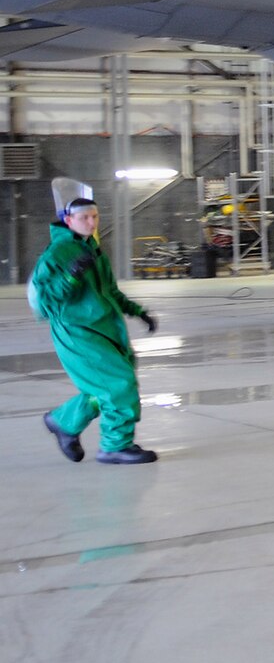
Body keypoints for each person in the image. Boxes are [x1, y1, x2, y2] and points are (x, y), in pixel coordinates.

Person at [30, 178, 159, 464]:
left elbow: (108, 291)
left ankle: (64, 422)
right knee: (118, 385)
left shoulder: (93, 249)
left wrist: (137, 311)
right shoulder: (56, 255)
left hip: (105, 329)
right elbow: (45, 302)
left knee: (104, 388)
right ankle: (114, 446)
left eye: (95, 217)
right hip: (78, 333)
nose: (91, 223)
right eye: (84, 218)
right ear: (68, 219)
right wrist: (71, 275)